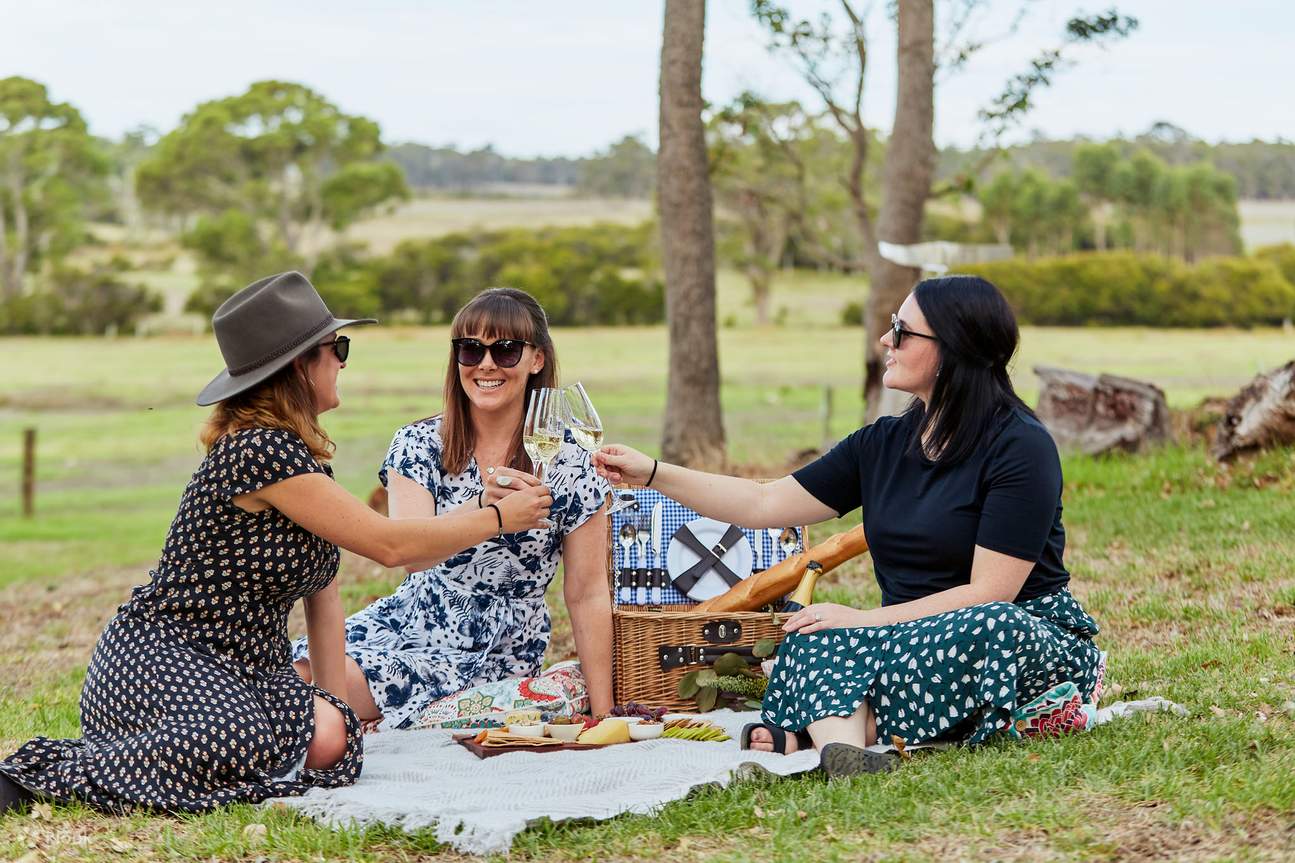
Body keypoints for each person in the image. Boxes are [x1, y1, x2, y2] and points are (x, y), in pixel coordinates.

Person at [0, 273, 553, 814]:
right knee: (238, 738)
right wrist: (498, 516)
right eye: (336, 348)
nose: (342, 360)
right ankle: (37, 775)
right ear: (300, 365)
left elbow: (326, 592)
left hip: (249, 667)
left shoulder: (302, 457)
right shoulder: (260, 452)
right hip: (164, 655)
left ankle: (214, 745)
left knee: (332, 739)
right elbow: (391, 546)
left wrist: (337, 708)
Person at [594, 275, 1102, 777]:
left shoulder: (1020, 447)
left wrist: (862, 621)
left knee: (986, 627)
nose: (886, 340)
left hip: (1015, 632)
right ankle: (845, 754)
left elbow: (991, 592)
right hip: (906, 639)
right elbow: (764, 501)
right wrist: (653, 473)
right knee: (809, 632)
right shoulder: (882, 443)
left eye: (902, 331)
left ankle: (831, 726)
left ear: (953, 348)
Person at [291, 287, 613, 730]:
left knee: (313, 686)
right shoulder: (418, 444)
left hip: (493, 648)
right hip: (408, 620)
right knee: (292, 669)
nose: (485, 364)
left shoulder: (572, 458)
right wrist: (486, 511)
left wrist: (605, 714)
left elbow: (587, 593)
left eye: (505, 350)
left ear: (536, 358)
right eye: (470, 349)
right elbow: (412, 555)